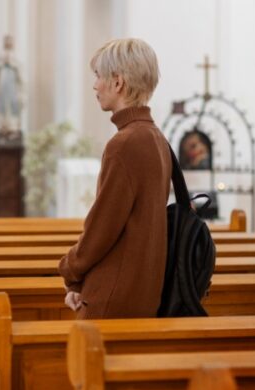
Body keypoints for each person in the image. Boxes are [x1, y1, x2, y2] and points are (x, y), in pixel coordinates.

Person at [58, 38, 171, 319]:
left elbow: (102, 227)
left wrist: (70, 269)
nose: (95, 85)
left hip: (113, 298)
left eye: (98, 76)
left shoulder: (125, 142)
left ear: (117, 82)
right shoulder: (155, 137)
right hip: (143, 292)